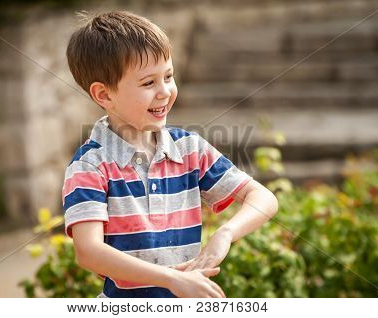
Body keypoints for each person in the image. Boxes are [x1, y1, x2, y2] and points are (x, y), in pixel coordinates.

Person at [62, 10, 278, 298]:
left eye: (168, 76)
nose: (164, 91)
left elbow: (264, 198)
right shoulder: (90, 166)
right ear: (104, 95)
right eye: (148, 83)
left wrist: (224, 234)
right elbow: (89, 252)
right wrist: (171, 280)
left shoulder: (189, 149)